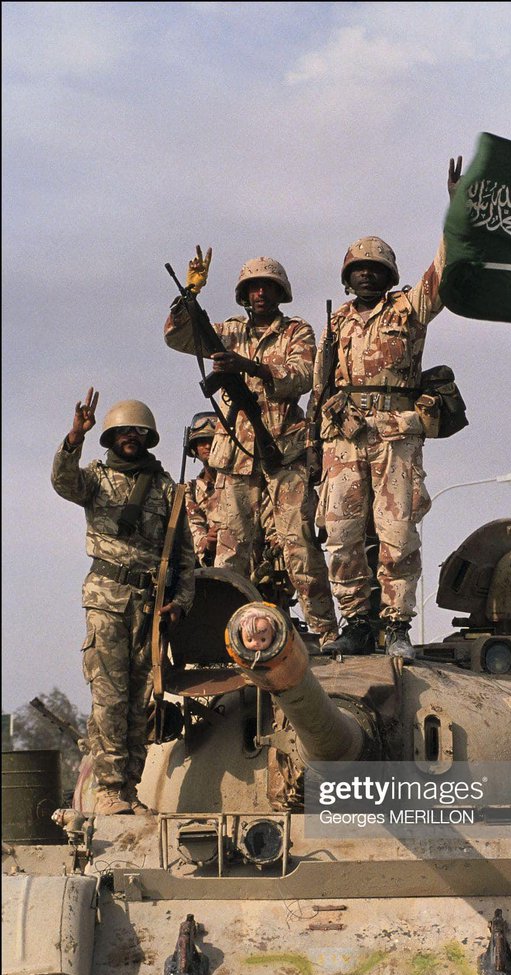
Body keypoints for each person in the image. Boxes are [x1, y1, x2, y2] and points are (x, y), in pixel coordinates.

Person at [313, 157, 463, 661]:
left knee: (397, 533)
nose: (366, 278)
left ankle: (395, 624)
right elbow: (320, 386)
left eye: (375, 271)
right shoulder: (335, 323)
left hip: (396, 434)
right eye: (358, 271)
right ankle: (355, 621)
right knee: (340, 533)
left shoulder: (407, 309)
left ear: (389, 276)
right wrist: (319, 443)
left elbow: (442, 273)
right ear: (347, 278)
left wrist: (455, 208)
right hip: (343, 436)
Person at [164, 250, 337, 645]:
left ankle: (328, 634)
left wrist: (250, 368)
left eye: (268, 287)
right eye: (254, 287)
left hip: (284, 454)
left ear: (280, 293)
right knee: (231, 554)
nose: (260, 294)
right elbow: (178, 336)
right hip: (237, 455)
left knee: (301, 547)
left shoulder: (297, 331)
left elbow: (302, 377)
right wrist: (189, 294)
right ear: (244, 293)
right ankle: (227, 638)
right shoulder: (227, 330)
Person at [52, 389, 195, 815]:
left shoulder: (168, 489)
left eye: (138, 431)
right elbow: (63, 481)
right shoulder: (96, 478)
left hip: (149, 607)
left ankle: (129, 791)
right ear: (111, 437)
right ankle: (109, 789)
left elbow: (185, 555)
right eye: (123, 431)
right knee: (110, 697)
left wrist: (181, 602)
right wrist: (74, 437)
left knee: (141, 701)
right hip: (107, 599)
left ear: (148, 437)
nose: (130, 437)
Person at [184, 411, 219, 566]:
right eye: (202, 441)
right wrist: (207, 544)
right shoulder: (189, 491)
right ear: (194, 449)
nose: (208, 446)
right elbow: (194, 527)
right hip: (207, 571)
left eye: (213, 440)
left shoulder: (244, 486)